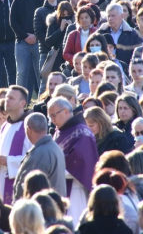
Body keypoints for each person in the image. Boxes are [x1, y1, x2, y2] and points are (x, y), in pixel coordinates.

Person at [49, 97, 98, 226]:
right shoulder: (59, 131)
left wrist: (51, 169)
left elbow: (84, 165)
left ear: (65, 111)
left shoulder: (82, 132)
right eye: (50, 117)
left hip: (75, 190)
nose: (52, 120)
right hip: (61, 187)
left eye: (54, 115)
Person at [0, 85, 33, 204]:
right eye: (7, 97)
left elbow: (32, 160)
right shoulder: (4, 126)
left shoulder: (29, 127)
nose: (7, 100)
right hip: (1, 183)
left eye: (12, 98)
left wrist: (7, 161)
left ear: (22, 103)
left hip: (19, 186)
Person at [13, 112, 66, 201]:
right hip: (51, 206)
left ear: (29, 129)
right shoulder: (54, 147)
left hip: (39, 209)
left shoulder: (40, 153)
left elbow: (30, 186)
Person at [10, 0, 46, 95]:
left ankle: (42, 99)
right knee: (21, 72)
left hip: (39, 42)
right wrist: (25, 36)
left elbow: (45, 21)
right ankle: (19, 99)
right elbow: (13, 22)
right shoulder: (17, 0)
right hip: (21, 42)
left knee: (40, 72)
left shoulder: (42, 0)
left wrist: (36, 36)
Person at [34, 0, 61, 95]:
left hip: (61, 52)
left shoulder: (64, 8)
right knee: (45, 83)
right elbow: (38, 32)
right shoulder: (40, 11)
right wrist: (49, 43)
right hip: (46, 52)